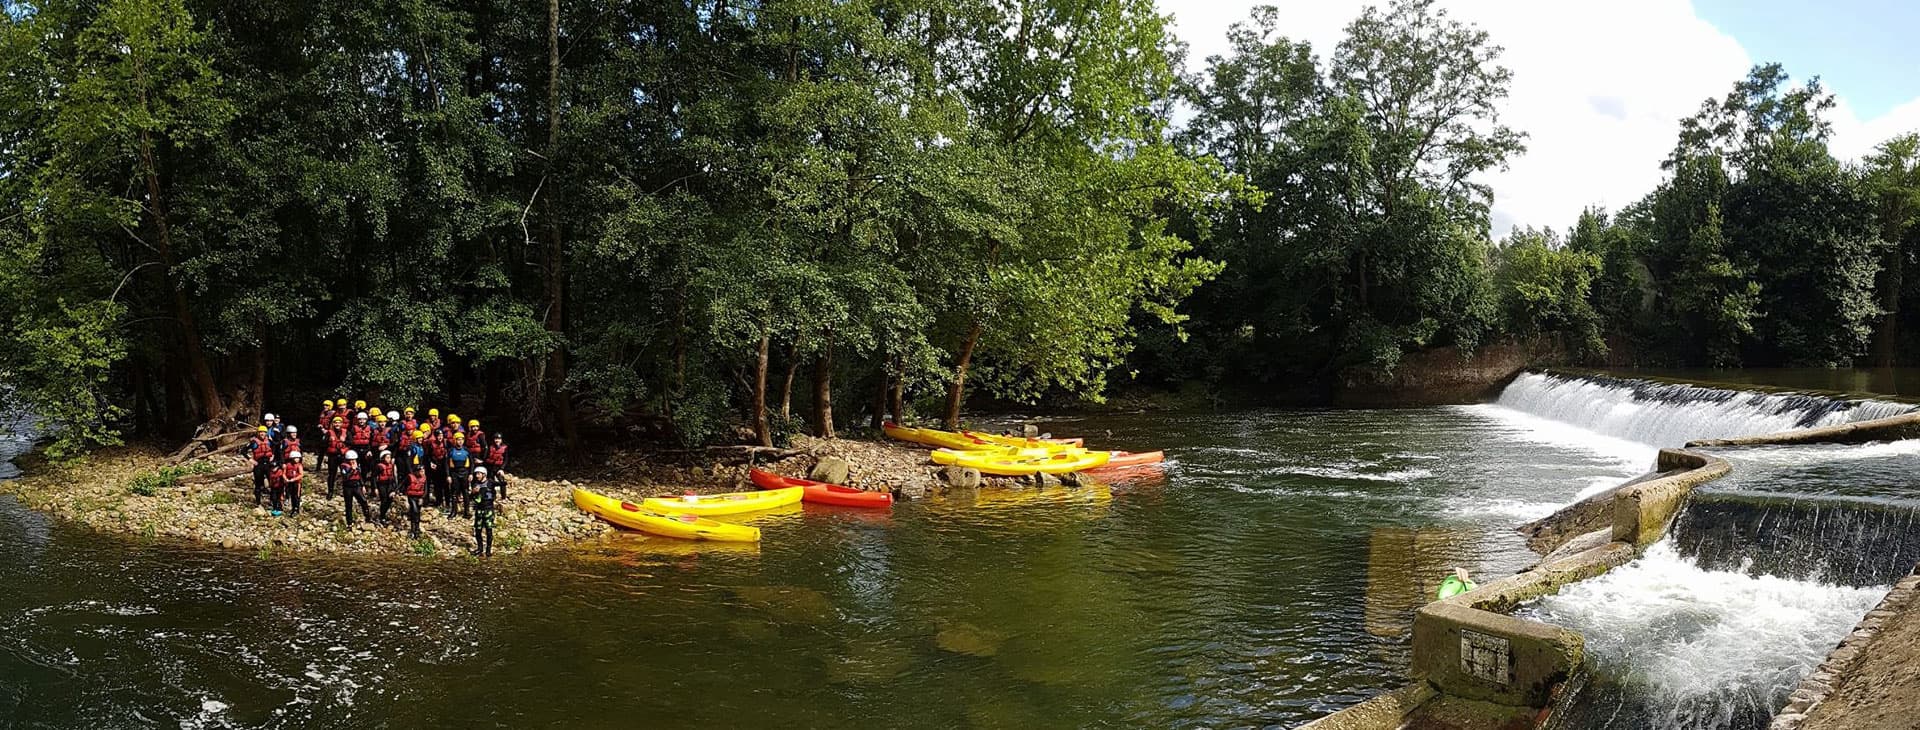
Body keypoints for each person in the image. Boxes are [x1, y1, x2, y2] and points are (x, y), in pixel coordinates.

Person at [340, 450, 373, 526]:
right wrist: (352, 469)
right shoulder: (343, 466)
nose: (353, 461)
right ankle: (349, 523)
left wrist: (363, 485)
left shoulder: (356, 465)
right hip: (348, 487)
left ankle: (368, 518)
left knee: (364, 501)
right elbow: (346, 477)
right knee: (349, 505)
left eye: (354, 459)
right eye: (351, 460)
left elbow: (359, 476)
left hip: (356, 486)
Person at [470, 466, 495, 556]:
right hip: (479, 509)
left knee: (489, 530)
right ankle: (479, 548)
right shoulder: (475, 484)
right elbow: (471, 498)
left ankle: (488, 550)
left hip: (488, 509)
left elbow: (502, 483)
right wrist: (473, 492)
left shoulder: (490, 482)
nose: (477, 476)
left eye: (479, 474)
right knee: (478, 530)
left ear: (484, 474)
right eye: (476, 474)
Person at [447, 433, 473, 518]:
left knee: (465, 492)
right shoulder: (451, 451)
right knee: (454, 493)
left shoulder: (467, 450)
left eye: (462, 439)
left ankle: (466, 511)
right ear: (455, 440)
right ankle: (454, 511)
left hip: (464, 472)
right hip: (454, 473)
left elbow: (472, 463)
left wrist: (471, 474)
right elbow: (446, 464)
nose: (460, 441)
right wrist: (448, 475)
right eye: (458, 439)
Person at [249, 426, 275, 507]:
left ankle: (272, 501)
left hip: (268, 464)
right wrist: (250, 460)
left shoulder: (269, 441)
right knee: (258, 484)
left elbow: (275, 448)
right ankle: (258, 502)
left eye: (263, 432)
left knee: (272, 483)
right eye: (260, 432)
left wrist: (273, 456)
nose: (262, 434)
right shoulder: (254, 442)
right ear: (258, 433)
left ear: (266, 433)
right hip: (258, 464)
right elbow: (243, 451)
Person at [426, 426, 450, 509]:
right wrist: (430, 463)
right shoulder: (431, 444)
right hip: (436, 465)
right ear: (435, 437)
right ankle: (439, 501)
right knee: (437, 485)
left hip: (444, 465)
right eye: (438, 436)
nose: (440, 437)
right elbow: (428, 455)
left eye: (441, 435)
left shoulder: (446, 443)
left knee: (446, 485)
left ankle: (447, 502)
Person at [325, 416, 348, 497]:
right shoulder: (329, 433)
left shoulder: (346, 432)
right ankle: (330, 491)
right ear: (333, 424)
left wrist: (345, 441)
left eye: (339, 422)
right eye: (335, 422)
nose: (337, 424)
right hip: (332, 456)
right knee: (331, 474)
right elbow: (324, 444)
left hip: (342, 456)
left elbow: (351, 443)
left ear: (341, 424)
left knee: (345, 474)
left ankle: (346, 491)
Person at [279, 450, 305, 515]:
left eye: (298, 458)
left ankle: (297, 508)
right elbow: (283, 473)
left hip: (297, 483)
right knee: (292, 496)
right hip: (289, 482)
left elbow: (301, 474)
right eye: (296, 458)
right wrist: (286, 479)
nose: (297, 459)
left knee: (297, 496)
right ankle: (293, 508)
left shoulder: (299, 465)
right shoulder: (287, 465)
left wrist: (294, 479)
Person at [405, 464, 427, 538]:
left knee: (418, 512)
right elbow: (402, 484)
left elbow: (426, 490)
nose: (422, 473)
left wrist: (422, 498)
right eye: (421, 471)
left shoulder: (424, 478)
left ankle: (417, 529)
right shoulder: (410, 477)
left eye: (423, 471)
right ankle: (412, 529)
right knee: (414, 511)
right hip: (411, 497)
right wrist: (395, 491)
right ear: (417, 472)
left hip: (419, 497)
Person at [484, 433, 508, 500]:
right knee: (490, 482)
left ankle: (503, 497)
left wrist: (502, 469)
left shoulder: (504, 448)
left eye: (499, 439)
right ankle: (492, 496)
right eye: (496, 439)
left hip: (499, 467)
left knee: (502, 482)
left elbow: (506, 459)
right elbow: (485, 457)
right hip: (490, 467)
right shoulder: (490, 447)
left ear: (501, 440)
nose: (497, 440)